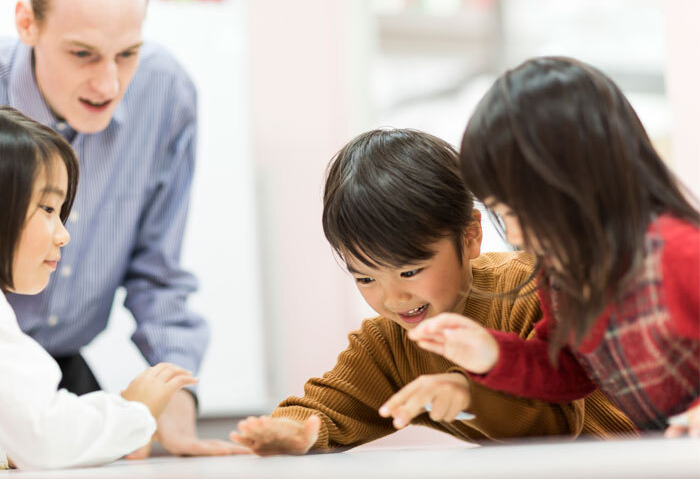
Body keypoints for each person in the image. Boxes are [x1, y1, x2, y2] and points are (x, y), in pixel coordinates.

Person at [228, 128, 637, 456]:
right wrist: (293, 432)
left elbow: (553, 423)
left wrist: (466, 394)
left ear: (471, 235)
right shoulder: (389, 342)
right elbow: (328, 408)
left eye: (409, 270)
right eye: (365, 278)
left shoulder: (529, 290)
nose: (392, 298)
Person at [0, 0, 237, 456]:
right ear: (26, 22)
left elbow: (158, 270)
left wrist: (172, 400)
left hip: (51, 374)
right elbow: (43, 438)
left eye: (128, 54)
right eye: (82, 53)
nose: (109, 83)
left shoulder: (165, 93)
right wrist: (133, 412)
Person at [408, 57, 700, 437]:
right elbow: (569, 371)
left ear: (579, 180)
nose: (513, 232)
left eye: (516, 211)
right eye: (500, 212)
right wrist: (490, 353)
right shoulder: (563, 278)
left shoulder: (679, 253)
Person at [0, 101, 198, 471]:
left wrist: (5, 446)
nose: (64, 235)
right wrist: (135, 411)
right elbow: (43, 438)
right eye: (48, 209)